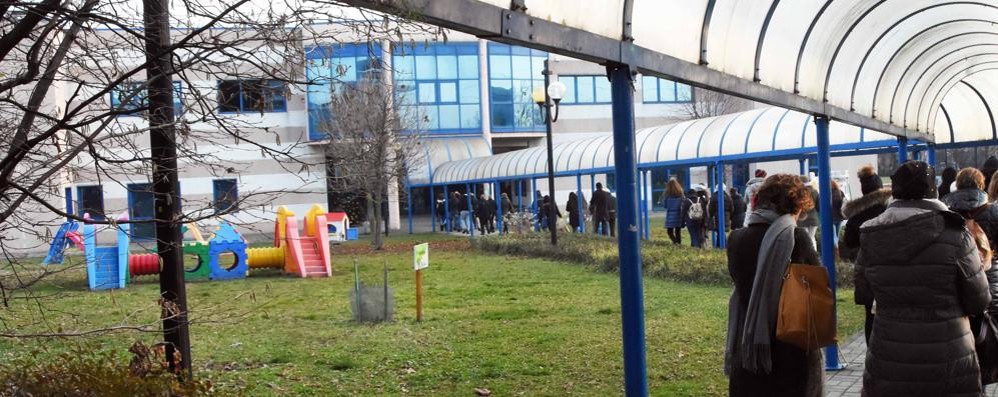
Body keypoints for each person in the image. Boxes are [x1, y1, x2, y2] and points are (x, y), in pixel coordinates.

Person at [856, 160, 990, 397]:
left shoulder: (871, 234)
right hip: (949, 355)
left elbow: (864, 293)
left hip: (889, 353)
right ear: (933, 190)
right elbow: (979, 300)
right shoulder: (956, 233)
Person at [724, 174, 824, 397]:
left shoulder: (736, 239)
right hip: (791, 349)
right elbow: (818, 293)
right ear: (796, 204)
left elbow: (739, 280)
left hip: (749, 344)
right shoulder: (797, 239)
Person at [942, 167, 998, 385]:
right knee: (989, 338)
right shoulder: (993, 211)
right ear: (981, 184)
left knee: (968, 342)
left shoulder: (947, 210)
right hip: (991, 279)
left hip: (960, 281)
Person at [841, 165, 890, 343]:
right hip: (892, 269)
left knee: (870, 316)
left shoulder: (855, 217)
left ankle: (871, 356)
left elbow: (848, 244)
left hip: (867, 271)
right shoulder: (889, 210)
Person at [796, 175, 820, 248]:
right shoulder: (815, 192)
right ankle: (814, 256)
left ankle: (807, 256)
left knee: (804, 239)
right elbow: (819, 206)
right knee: (812, 238)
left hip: (802, 219)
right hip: (814, 218)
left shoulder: (798, 192)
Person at [660, 178, 686, 244]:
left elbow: (665, 205)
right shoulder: (680, 192)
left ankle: (675, 242)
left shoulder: (667, 194)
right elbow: (684, 202)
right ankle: (679, 244)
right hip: (678, 214)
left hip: (670, 214)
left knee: (669, 231)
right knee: (678, 231)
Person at [830, 180, 845, 246]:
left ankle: (832, 249)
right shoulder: (840, 192)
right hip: (839, 216)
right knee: (837, 235)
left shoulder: (827, 193)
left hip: (831, 217)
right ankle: (837, 249)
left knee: (831, 235)